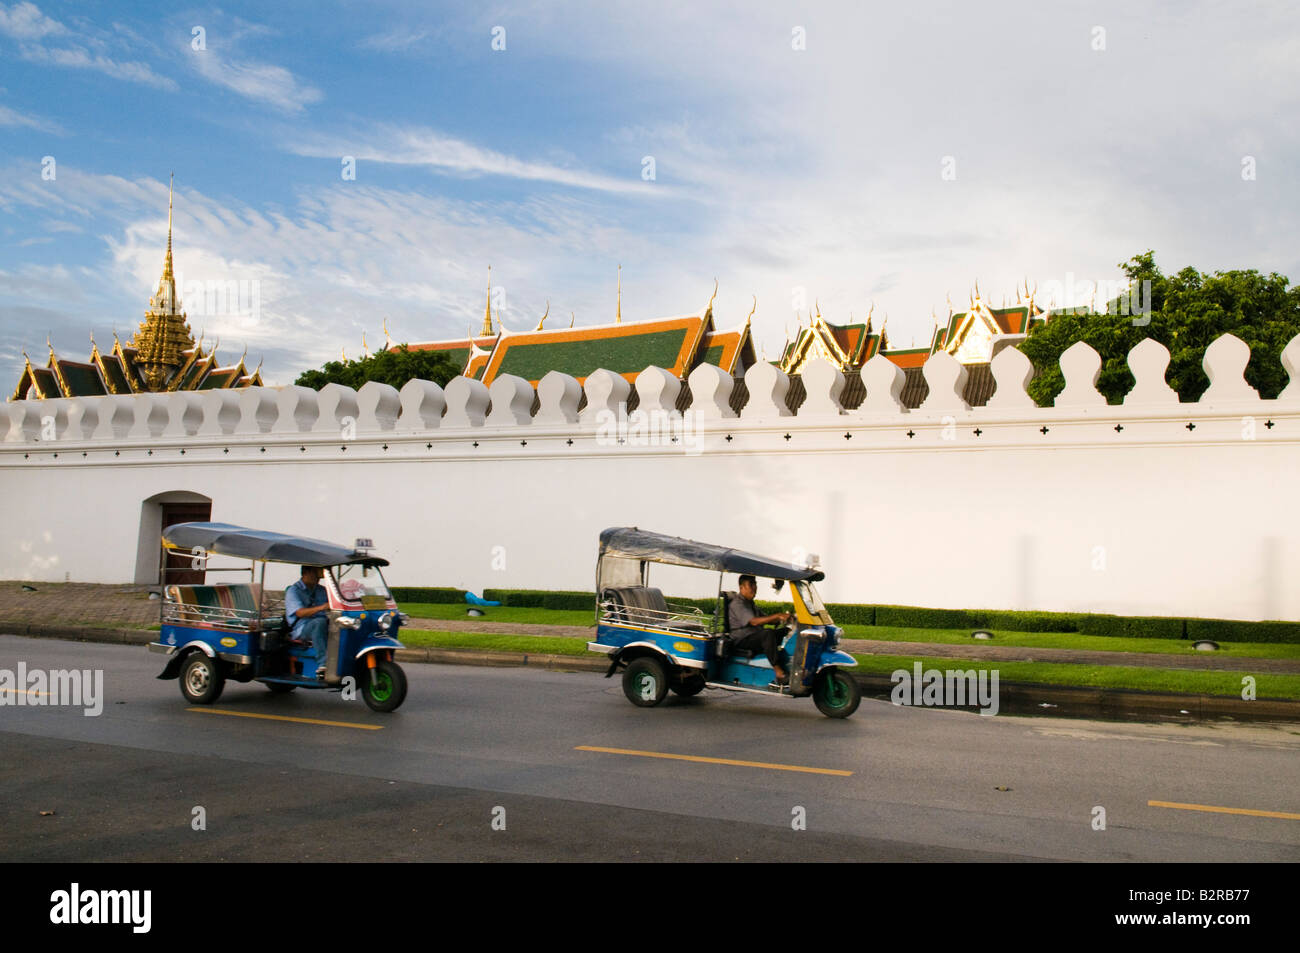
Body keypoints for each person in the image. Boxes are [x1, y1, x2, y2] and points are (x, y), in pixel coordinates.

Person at [728, 574, 792, 684]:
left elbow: (765, 619)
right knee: (767, 634)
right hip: (742, 640)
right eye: (751, 585)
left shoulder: (750, 603)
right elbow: (754, 621)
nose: (754, 587)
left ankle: (790, 662)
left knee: (786, 631)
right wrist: (777, 616)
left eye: (755, 584)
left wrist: (784, 619)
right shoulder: (738, 604)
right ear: (741, 587)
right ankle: (779, 673)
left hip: (753, 636)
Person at [285, 566, 330, 679]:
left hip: (322, 623)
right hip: (302, 628)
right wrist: (321, 608)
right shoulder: (294, 591)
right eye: (316, 573)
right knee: (319, 623)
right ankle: (323, 664)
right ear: (306, 573)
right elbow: (299, 613)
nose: (319, 577)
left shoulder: (321, 590)